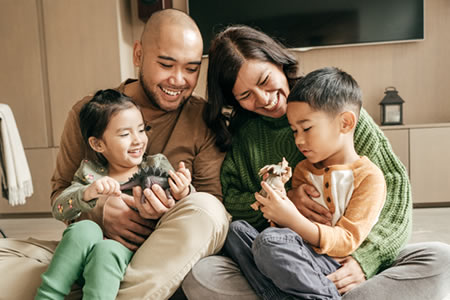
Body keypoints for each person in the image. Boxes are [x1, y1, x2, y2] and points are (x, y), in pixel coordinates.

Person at [182, 25, 450, 299]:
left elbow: (394, 190)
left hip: (346, 259)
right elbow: (231, 203)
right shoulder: (243, 135)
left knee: (440, 258)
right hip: (284, 257)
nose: (264, 99)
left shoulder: (331, 106)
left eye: (264, 81)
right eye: (246, 95)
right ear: (233, 99)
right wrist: (284, 202)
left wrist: (364, 261)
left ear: (278, 63)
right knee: (202, 274)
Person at [0, 9, 230, 300]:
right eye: (166, 64)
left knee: (207, 209)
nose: (178, 79)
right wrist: (100, 210)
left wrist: (173, 202)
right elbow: (60, 196)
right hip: (92, 244)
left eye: (192, 68)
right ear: (138, 55)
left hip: (161, 252)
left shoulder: (204, 120)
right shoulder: (90, 114)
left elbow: (210, 211)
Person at [224, 67, 386, 300]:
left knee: (269, 243)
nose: (299, 140)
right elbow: (284, 235)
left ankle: (322, 296)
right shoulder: (302, 171)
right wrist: (278, 196)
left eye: (307, 129)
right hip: (292, 261)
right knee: (236, 231)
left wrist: (292, 219)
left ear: (346, 123)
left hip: (331, 266)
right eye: (294, 131)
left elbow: (347, 241)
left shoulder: (369, 178)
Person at [36, 89, 192, 299]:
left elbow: (188, 210)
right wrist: (87, 194)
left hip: (130, 258)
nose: (137, 140)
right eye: (125, 134)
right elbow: (60, 209)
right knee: (85, 228)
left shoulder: (156, 165)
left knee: (107, 250)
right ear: (98, 144)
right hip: (83, 258)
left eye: (141, 129)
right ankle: (48, 296)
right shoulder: (89, 173)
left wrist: (183, 190)